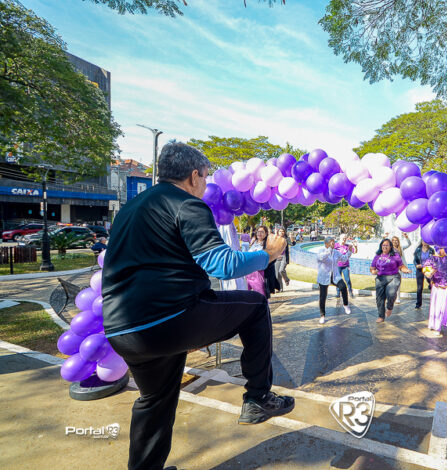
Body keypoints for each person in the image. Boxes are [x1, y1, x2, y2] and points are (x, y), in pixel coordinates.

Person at [102, 142, 293, 470]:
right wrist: (269, 254)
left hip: (123, 330)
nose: (205, 185)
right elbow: (223, 264)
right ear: (193, 176)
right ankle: (259, 397)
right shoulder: (187, 204)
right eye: (204, 177)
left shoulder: (130, 209)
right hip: (170, 319)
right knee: (256, 306)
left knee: (155, 402)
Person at [370, 238, 411, 323]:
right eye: (383, 245)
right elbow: (372, 268)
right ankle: (381, 316)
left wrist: (406, 270)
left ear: (390, 246)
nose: (385, 247)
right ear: (381, 246)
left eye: (387, 245)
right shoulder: (377, 256)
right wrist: (373, 271)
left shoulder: (395, 255)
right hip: (380, 278)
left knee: (391, 293)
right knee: (379, 298)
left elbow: (401, 266)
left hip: (393, 277)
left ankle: (389, 307)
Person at [317, 237, 352, 323]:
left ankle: (346, 305)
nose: (333, 244)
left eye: (333, 242)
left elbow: (344, 258)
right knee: (323, 296)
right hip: (324, 276)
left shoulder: (336, 252)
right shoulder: (321, 251)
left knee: (343, 287)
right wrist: (328, 251)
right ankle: (322, 315)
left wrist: (349, 251)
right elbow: (321, 258)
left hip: (335, 276)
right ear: (326, 244)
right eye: (331, 242)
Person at [248, 226, 280, 298]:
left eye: (262, 232)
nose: (259, 233)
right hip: (250, 272)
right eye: (258, 231)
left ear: (266, 233)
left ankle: (263, 304)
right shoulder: (254, 243)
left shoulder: (268, 245)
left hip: (261, 273)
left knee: (261, 293)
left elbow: (272, 259)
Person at [413, 241, 434, 310]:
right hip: (420, 270)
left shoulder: (431, 250)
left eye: (426, 241)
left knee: (432, 285)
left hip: (428, 270)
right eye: (423, 241)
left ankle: (433, 302)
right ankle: (418, 304)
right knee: (419, 288)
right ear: (421, 242)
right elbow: (415, 260)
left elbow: (434, 260)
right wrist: (416, 265)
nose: (425, 242)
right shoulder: (418, 250)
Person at [391, 234, 412, 304]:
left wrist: (407, 237)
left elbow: (409, 244)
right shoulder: (390, 249)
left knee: (398, 283)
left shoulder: (401, 248)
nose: (395, 242)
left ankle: (398, 298)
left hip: (400, 268)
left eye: (396, 240)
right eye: (393, 240)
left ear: (398, 241)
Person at [334, 234, 357, 299]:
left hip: (345, 266)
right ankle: (338, 293)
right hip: (337, 266)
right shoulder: (336, 245)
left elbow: (355, 252)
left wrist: (355, 247)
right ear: (340, 238)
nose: (344, 239)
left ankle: (350, 292)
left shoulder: (347, 246)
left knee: (347, 280)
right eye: (343, 238)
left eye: (345, 238)